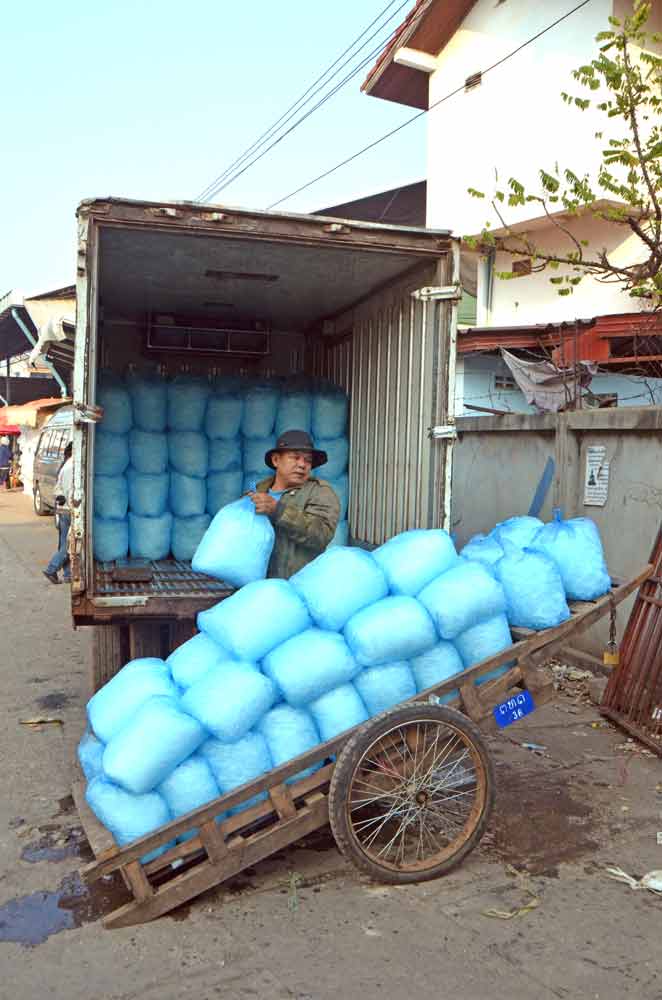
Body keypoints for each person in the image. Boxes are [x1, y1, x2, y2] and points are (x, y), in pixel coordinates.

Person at [249, 429, 340, 579]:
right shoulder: (258, 490)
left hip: (296, 587)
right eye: (295, 457)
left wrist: (278, 511)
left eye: (308, 460)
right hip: (255, 585)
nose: (302, 465)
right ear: (276, 460)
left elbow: (321, 535)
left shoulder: (320, 492)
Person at [44, 442, 73, 584]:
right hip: (71, 510)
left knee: (65, 543)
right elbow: (72, 491)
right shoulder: (74, 466)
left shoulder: (65, 465)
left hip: (63, 510)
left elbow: (57, 488)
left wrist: (61, 496)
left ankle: (68, 574)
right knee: (69, 545)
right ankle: (51, 569)